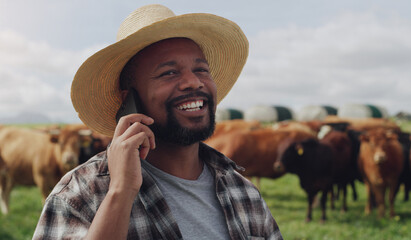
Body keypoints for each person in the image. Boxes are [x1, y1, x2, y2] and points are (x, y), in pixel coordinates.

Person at [33, 4, 283, 240]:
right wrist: (120, 192)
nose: (194, 82)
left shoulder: (243, 192)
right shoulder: (80, 194)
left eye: (201, 70)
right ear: (130, 99)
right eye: (169, 73)